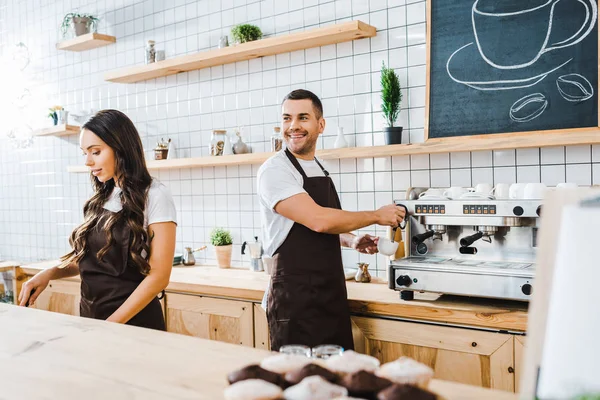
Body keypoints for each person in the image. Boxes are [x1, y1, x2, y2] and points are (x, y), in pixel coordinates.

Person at [257, 89, 406, 351]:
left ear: (320, 124)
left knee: (337, 378)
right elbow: (318, 220)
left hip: (330, 294)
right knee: (299, 383)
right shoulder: (275, 170)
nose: (293, 126)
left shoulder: (318, 167)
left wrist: (351, 240)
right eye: (286, 118)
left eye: (303, 118)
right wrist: (376, 216)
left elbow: (311, 227)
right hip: (295, 299)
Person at [18, 109, 176, 331]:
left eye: (95, 152)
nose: (87, 162)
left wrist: (110, 326)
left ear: (121, 148)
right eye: (85, 153)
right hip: (92, 320)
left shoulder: (155, 194)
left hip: (135, 325)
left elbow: (159, 276)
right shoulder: (103, 196)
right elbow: (92, 258)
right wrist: (50, 273)